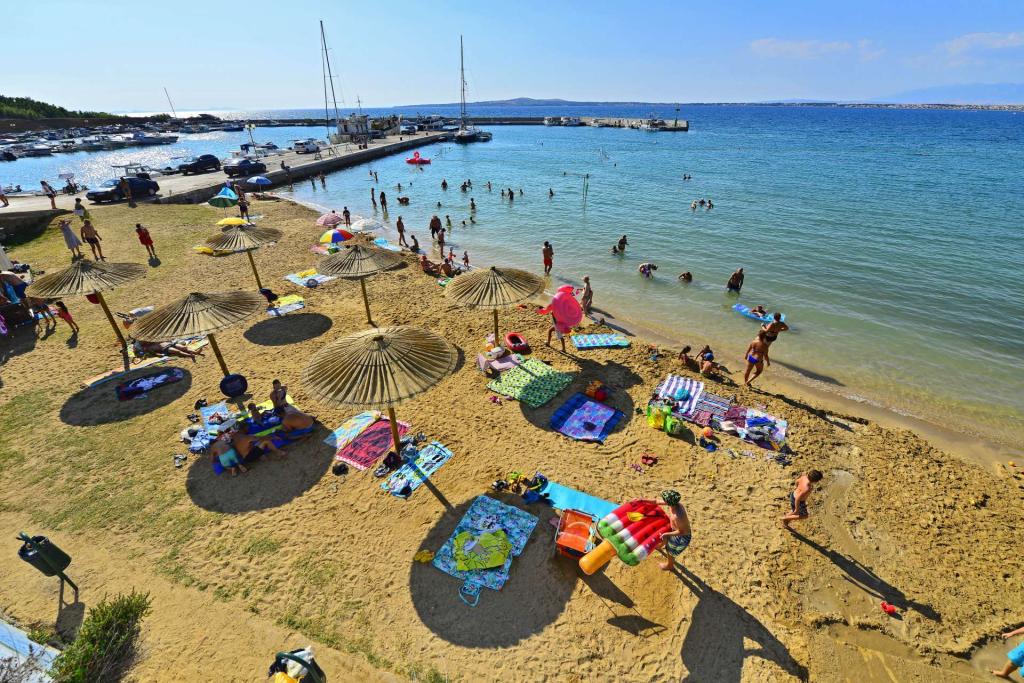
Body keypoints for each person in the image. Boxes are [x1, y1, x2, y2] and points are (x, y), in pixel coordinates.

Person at [656, 490, 692, 571]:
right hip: (677, 531)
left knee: (670, 551)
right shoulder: (675, 504)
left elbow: (682, 531)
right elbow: (656, 501)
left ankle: (670, 566)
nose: (663, 501)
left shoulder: (678, 516)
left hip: (681, 537)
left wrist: (667, 534)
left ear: (668, 503)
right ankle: (659, 547)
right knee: (666, 539)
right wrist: (642, 500)